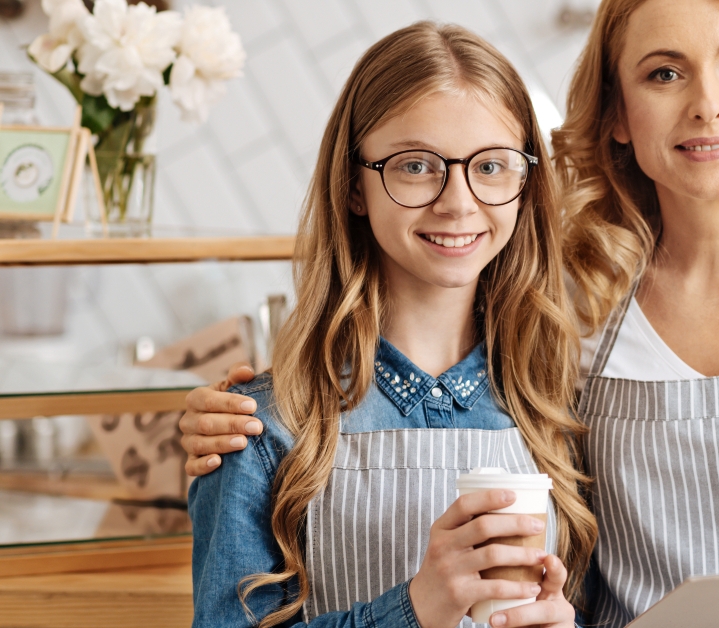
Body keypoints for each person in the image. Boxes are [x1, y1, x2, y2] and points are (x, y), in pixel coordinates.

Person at [182, 1, 719, 627]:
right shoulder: (573, 313)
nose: (708, 104)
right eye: (664, 73)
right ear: (617, 117)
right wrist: (218, 418)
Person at [186, 22, 596, 628]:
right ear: (355, 185)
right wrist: (416, 609)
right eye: (415, 166)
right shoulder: (263, 427)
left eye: (491, 166)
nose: (458, 201)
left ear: (523, 184)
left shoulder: (555, 409)